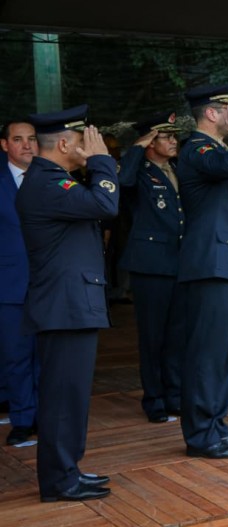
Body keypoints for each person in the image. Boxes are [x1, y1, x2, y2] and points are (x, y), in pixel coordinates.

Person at [16, 105, 118, 501]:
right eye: (82, 143)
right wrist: (103, 162)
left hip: (70, 303)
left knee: (71, 396)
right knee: (62, 399)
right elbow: (105, 206)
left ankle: (68, 470)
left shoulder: (55, 181)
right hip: (64, 305)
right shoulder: (48, 182)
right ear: (62, 143)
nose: (88, 149)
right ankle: (59, 481)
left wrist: (97, 165)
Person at [176, 83, 228, 459]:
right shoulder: (197, 148)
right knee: (206, 354)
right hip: (209, 264)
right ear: (212, 113)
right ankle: (200, 434)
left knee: (223, 353)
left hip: (225, 263)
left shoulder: (218, 150)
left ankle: (216, 427)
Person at [117, 112, 186, 424]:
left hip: (178, 261)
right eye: (165, 136)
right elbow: (121, 183)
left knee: (176, 336)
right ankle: (154, 398)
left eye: (174, 136)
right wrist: (137, 146)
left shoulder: (176, 169)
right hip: (151, 265)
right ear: (149, 142)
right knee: (153, 337)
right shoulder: (139, 172)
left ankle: (174, 394)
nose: (173, 141)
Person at [0, 120, 39, 446]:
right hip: (10, 285)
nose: (26, 145)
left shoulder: (53, 178)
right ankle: (24, 420)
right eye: (18, 139)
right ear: (4, 145)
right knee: (17, 357)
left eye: (32, 139)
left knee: (51, 356)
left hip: (51, 285)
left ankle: (49, 418)